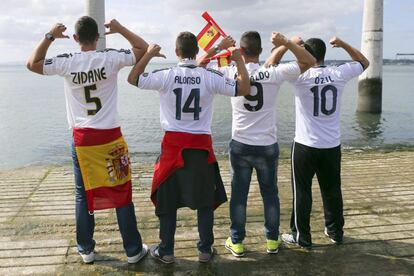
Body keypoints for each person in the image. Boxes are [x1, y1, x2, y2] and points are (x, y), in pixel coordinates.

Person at [26, 16, 153, 264]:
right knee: (121, 192)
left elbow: (32, 63)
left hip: (83, 139)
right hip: (110, 137)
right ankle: (133, 250)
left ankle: (86, 250)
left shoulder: (67, 62)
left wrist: (50, 35)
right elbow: (143, 48)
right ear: (98, 37)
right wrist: (120, 28)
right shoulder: (111, 57)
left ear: (75, 38)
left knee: (83, 194)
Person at [127, 32, 250, 263]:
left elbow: (133, 78)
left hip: (173, 148)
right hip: (201, 149)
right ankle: (204, 250)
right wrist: (239, 60)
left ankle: (166, 251)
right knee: (204, 201)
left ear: (176, 52)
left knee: (168, 202)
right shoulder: (208, 75)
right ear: (195, 52)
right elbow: (243, 89)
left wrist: (149, 55)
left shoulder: (167, 74)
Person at [199, 32, 316, 257]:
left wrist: (218, 47)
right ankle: (272, 241)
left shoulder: (232, 71)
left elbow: (197, 67)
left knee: (239, 195)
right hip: (267, 145)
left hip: (241, 144)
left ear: (240, 51)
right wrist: (287, 43)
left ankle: (237, 242)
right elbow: (309, 62)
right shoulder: (274, 72)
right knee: (270, 194)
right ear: (261, 51)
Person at [274, 37, 370, 249]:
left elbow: (271, 66)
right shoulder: (338, 73)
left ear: (305, 53)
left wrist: (289, 44)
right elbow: (364, 62)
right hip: (331, 145)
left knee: (302, 192)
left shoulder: (300, 75)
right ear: (324, 54)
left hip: (305, 145)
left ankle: (302, 236)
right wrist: (344, 44)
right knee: (332, 190)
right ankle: (335, 232)